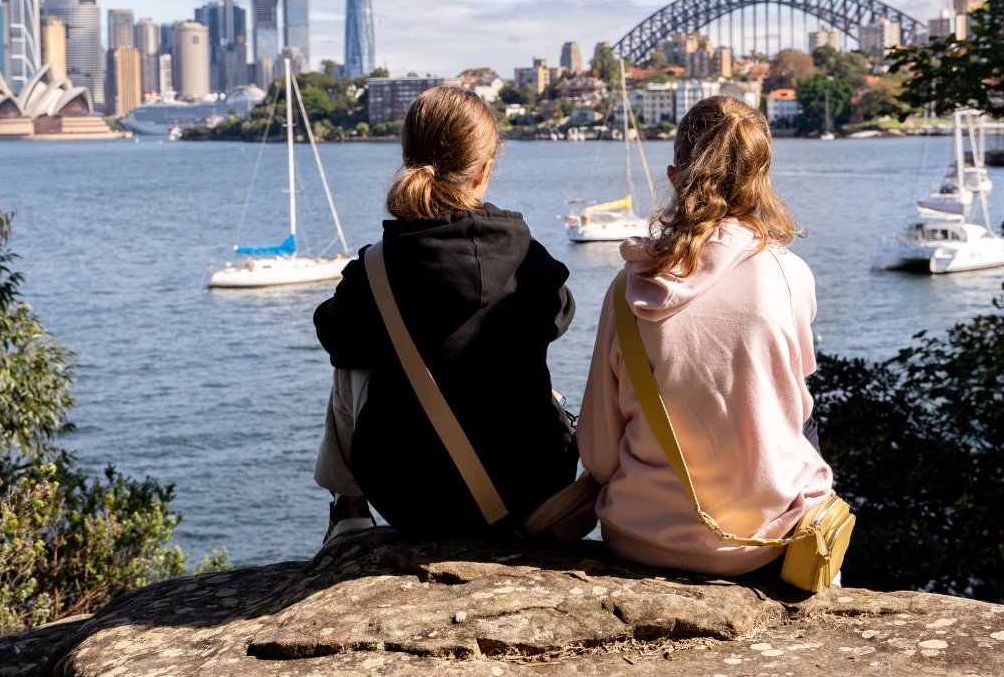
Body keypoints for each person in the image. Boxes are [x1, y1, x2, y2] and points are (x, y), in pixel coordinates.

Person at [577, 94, 835, 576]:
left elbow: (598, 453)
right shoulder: (789, 275)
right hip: (763, 544)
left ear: (675, 179)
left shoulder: (628, 290)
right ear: (763, 183)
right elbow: (791, 409)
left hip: (638, 539)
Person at [313, 86, 578, 544]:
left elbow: (332, 332)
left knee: (353, 362)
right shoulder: (527, 257)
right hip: (533, 489)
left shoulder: (377, 270)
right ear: (485, 171)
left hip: (416, 500)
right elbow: (561, 312)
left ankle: (350, 509)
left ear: (407, 158)